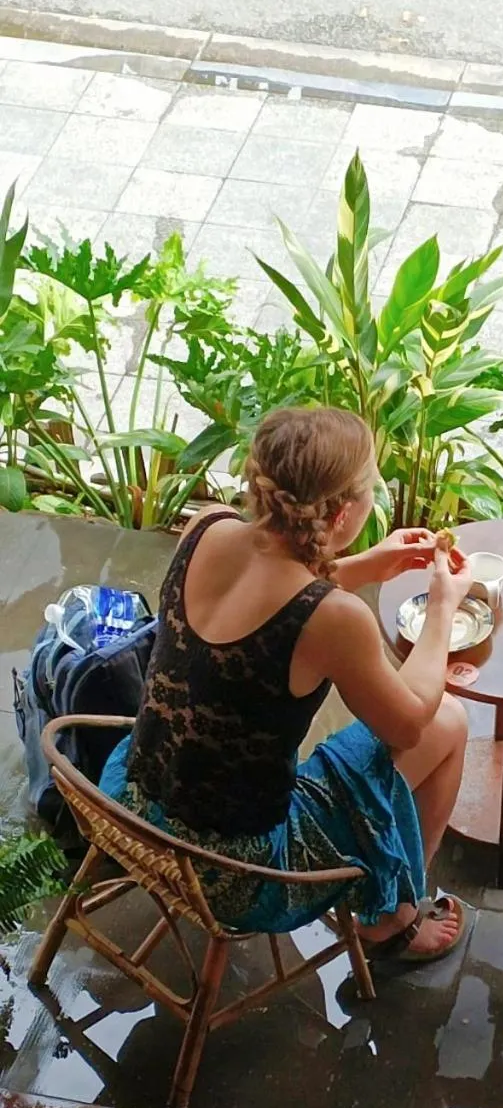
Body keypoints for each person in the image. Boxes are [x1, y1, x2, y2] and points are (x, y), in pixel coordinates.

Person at [100, 406, 472, 963]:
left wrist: (364, 565)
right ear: (344, 512)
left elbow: (271, 600)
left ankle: (393, 908)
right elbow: (412, 718)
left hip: (131, 802)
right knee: (448, 722)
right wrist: (443, 607)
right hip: (238, 867)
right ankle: (394, 919)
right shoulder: (336, 619)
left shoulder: (206, 529)